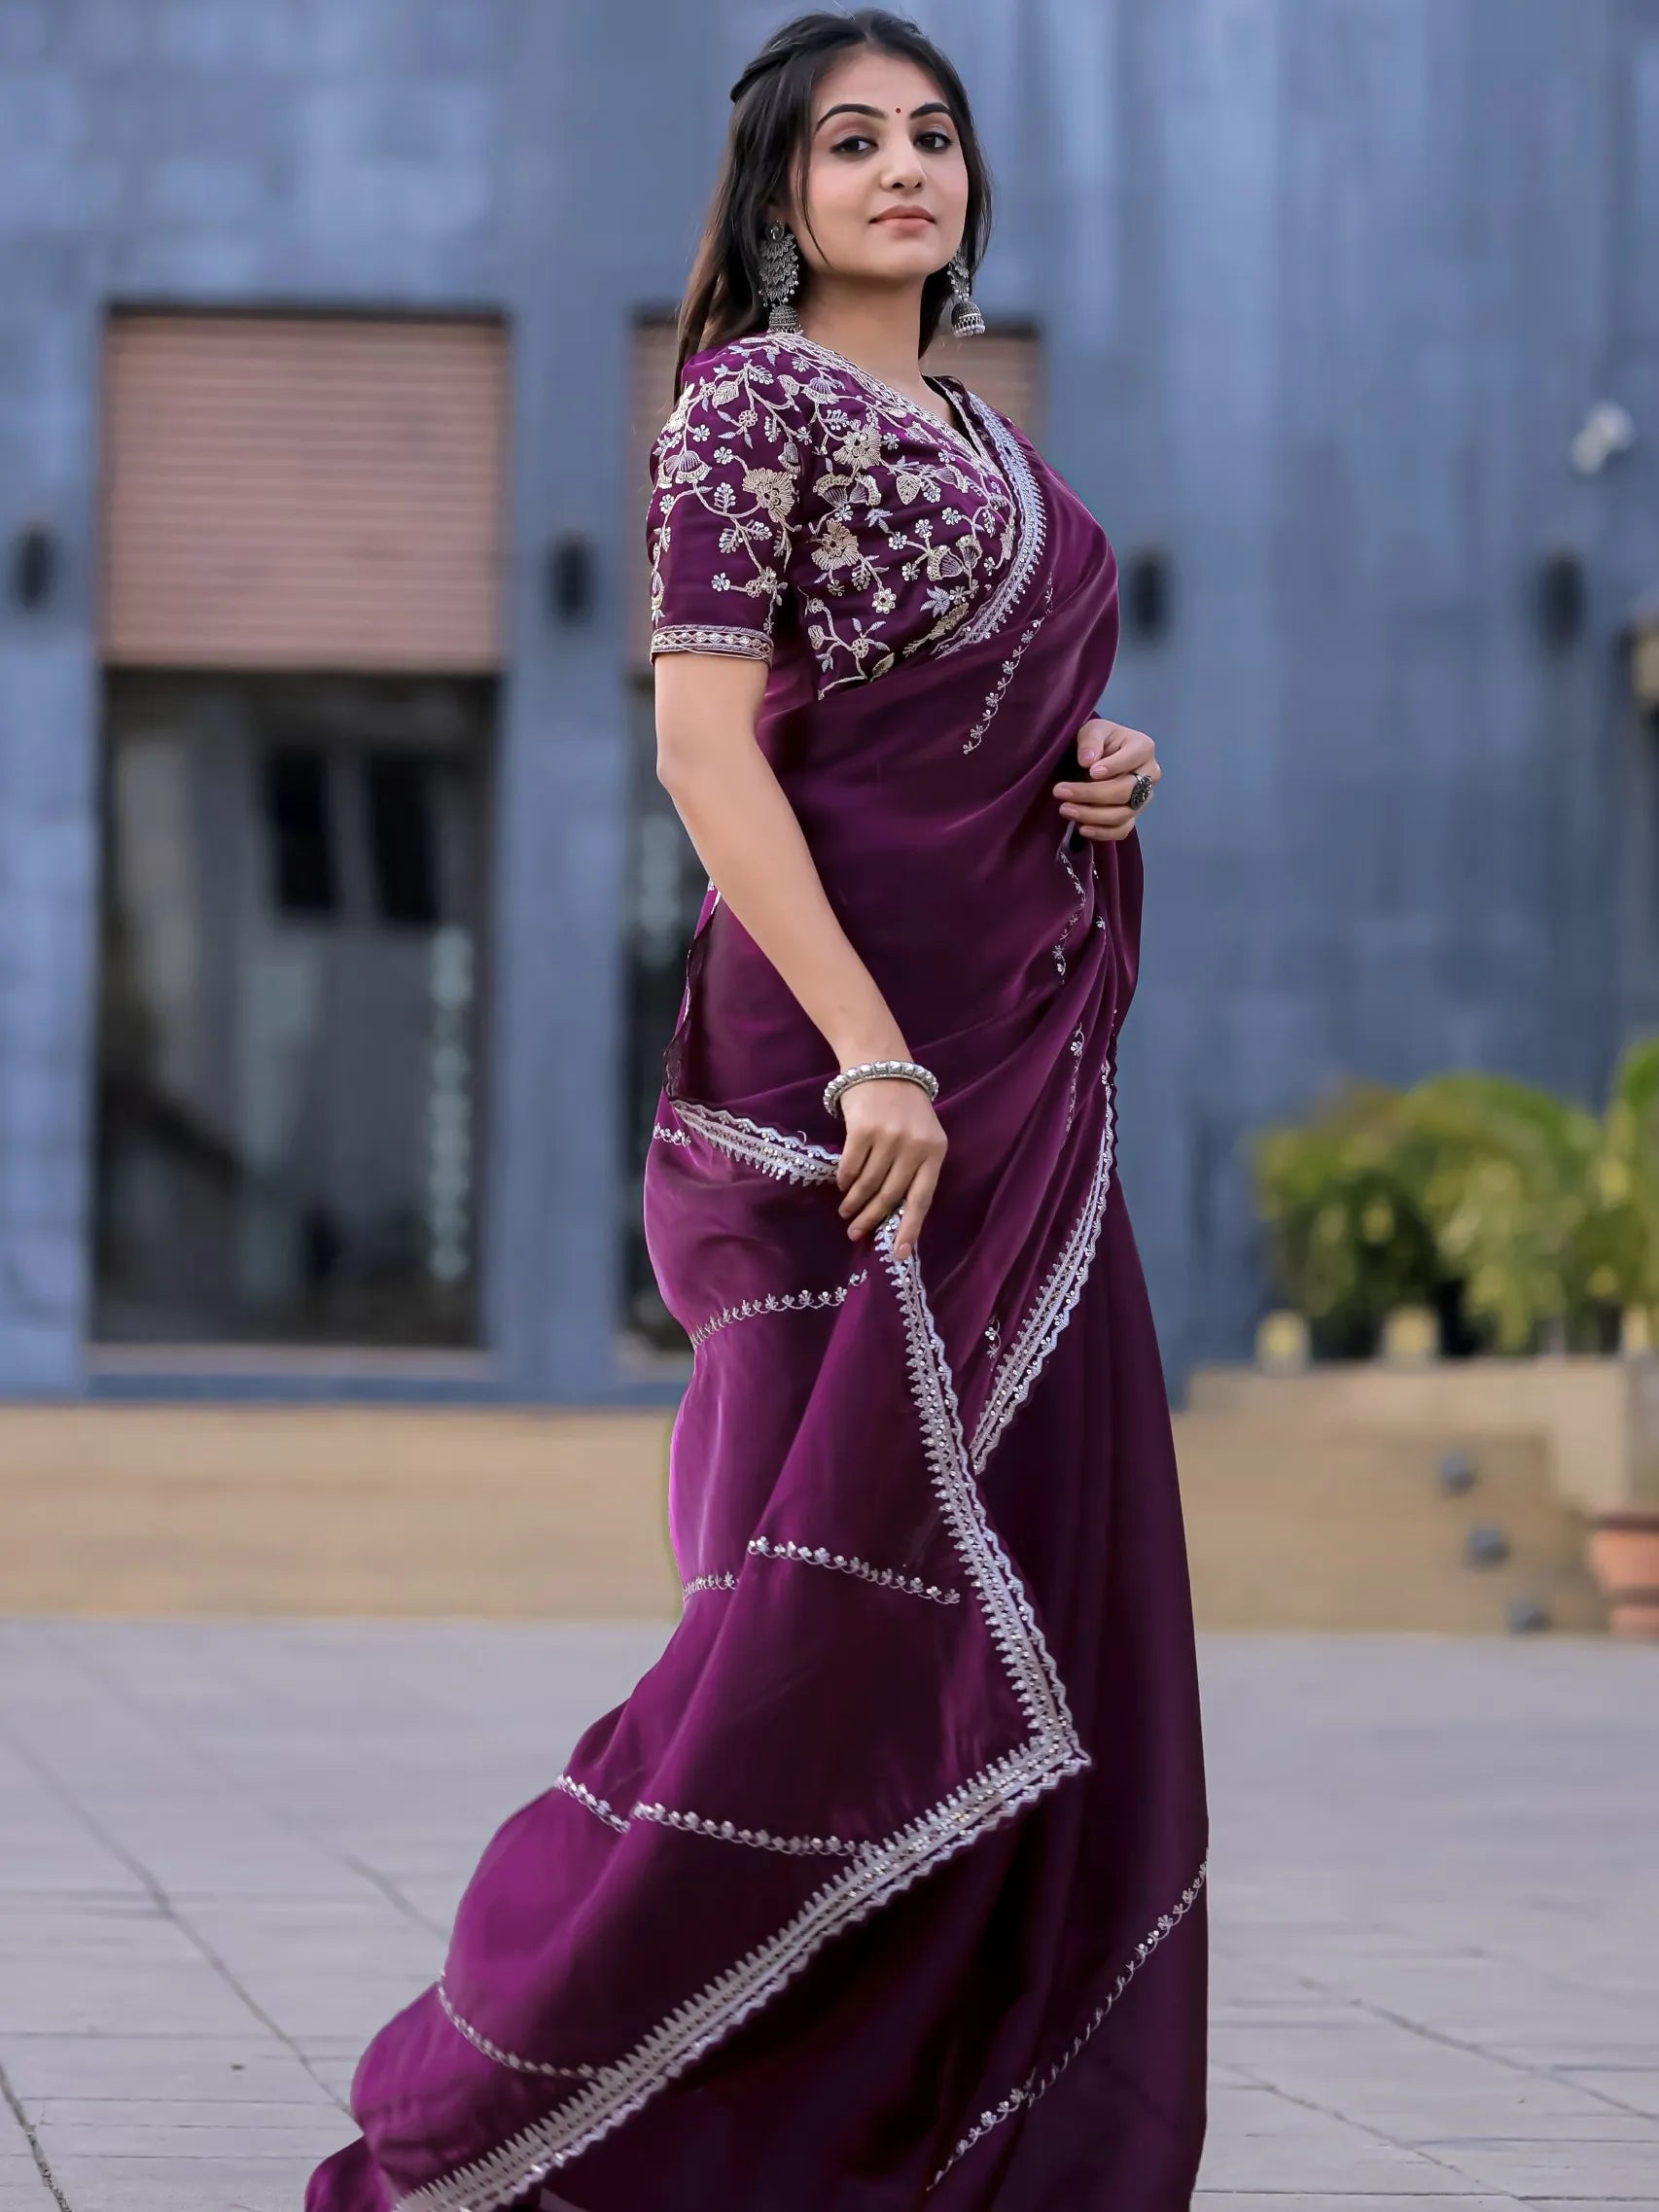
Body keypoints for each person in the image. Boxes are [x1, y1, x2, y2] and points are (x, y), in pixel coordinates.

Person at [305, 12, 1208, 2209]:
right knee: (815, 1624)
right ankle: (546, 2084)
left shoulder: (985, 436)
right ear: (776, 193)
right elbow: (714, 752)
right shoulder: (746, 401)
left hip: (1009, 1065)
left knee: (1038, 1602)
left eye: (933, 136)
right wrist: (877, 1042)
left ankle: (937, 2125)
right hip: (852, 1078)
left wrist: (1095, 772)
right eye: (851, 142)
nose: (904, 169)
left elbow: (973, 724)